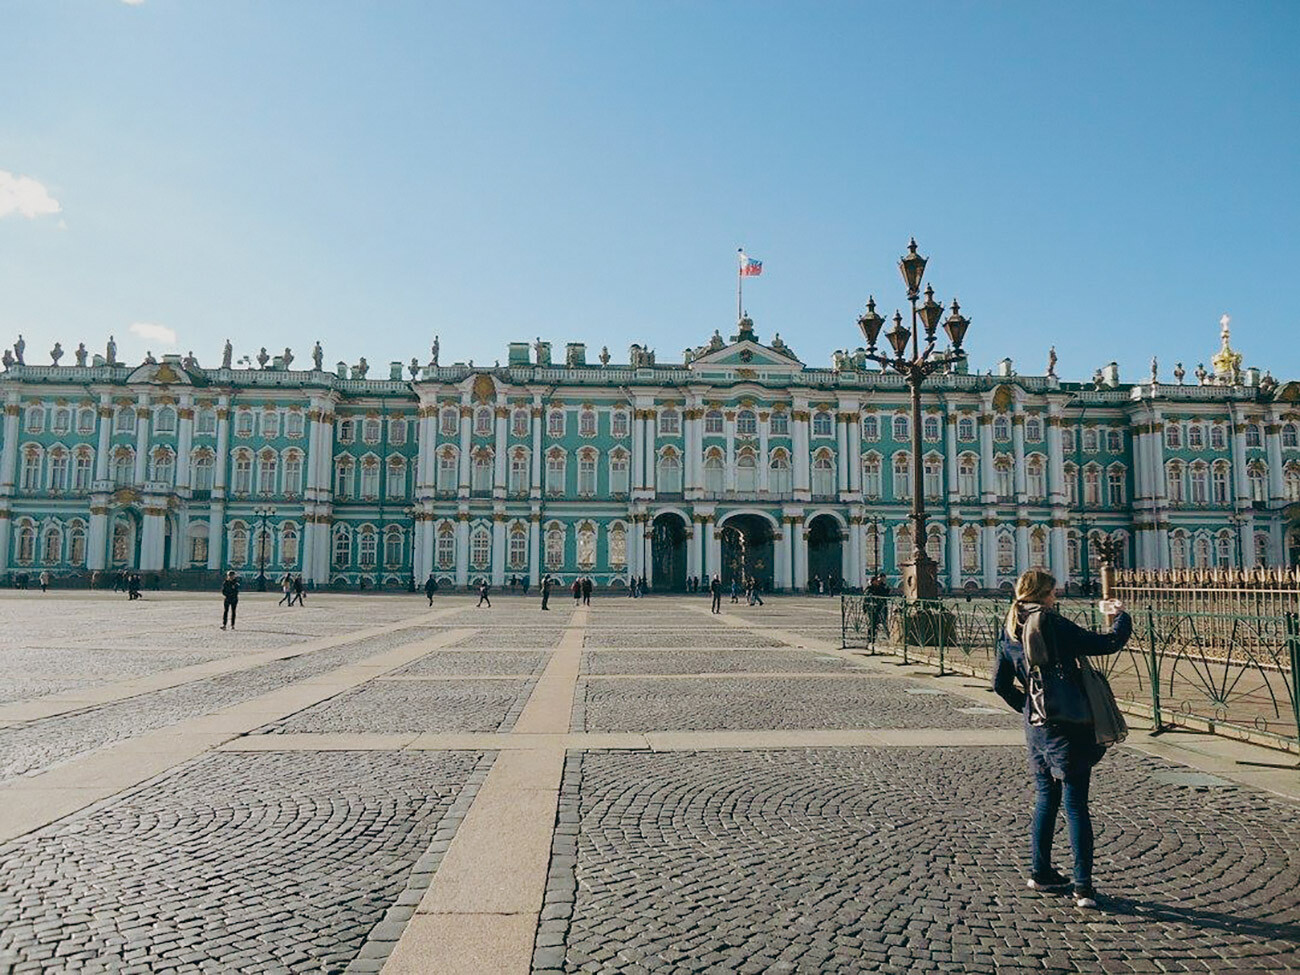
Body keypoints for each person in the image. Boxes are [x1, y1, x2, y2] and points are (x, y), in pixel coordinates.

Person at [992, 568, 1132, 910]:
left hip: (1036, 726)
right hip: (1066, 724)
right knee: (1075, 804)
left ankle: (1040, 871)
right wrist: (1120, 616)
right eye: (1054, 593)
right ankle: (1083, 886)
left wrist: (1027, 706)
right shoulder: (1051, 622)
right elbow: (1107, 644)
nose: (1056, 598)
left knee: (1045, 799)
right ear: (1044, 594)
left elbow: (999, 683)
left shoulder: (1010, 625)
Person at [866, 573, 890, 644]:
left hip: (881, 607)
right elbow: (868, 597)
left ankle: (886, 636)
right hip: (873, 608)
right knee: (873, 623)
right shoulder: (870, 588)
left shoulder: (881, 586)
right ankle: (871, 638)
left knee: (882, 622)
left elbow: (885, 594)